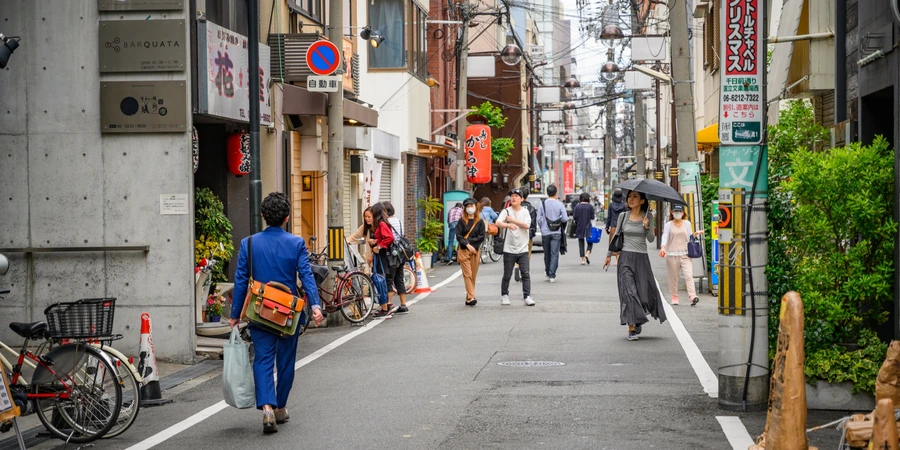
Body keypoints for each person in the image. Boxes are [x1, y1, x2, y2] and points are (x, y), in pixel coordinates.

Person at [229, 192, 325, 433]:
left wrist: (235, 313)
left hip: (259, 311)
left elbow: (241, 281)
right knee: (285, 362)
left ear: (262, 216)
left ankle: (267, 409)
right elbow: (306, 276)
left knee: (261, 359)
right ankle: (280, 407)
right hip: (288, 314)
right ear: (287, 217)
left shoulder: (248, 243)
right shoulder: (296, 243)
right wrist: (314, 305)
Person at [604, 190, 667, 341]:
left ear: (642, 201)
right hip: (625, 257)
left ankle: (638, 318)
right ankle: (632, 327)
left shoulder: (648, 217)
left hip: (642, 259)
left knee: (643, 295)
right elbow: (616, 235)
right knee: (629, 292)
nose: (630, 199)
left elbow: (651, 239)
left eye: (635, 197)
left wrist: (646, 227)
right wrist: (608, 255)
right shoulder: (623, 216)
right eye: (629, 197)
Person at [496, 189, 534, 306]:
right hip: (509, 248)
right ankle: (504, 295)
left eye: (517, 196)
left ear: (522, 199)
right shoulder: (506, 211)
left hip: (522, 248)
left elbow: (526, 225)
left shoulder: (525, 212)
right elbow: (498, 223)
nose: (513, 198)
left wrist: (513, 221)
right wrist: (508, 224)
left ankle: (527, 296)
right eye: (512, 196)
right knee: (507, 274)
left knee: (525, 273)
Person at [660, 204, 703, 306]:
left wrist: (695, 234)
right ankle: (674, 296)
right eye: (675, 212)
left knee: (689, 275)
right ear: (672, 212)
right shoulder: (668, 225)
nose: (677, 213)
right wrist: (662, 247)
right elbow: (665, 236)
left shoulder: (687, 223)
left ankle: (692, 296)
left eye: (679, 212)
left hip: (685, 253)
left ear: (683, 213)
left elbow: (689, 236)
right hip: (672, 254)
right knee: (673, 277)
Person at [370, 203, 402, 318]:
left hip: (382, 255)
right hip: (381, 254)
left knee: (381, 280)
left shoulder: (382, 224)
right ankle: (385, 307)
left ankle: (385, 308)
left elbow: (390, 237)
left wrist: (379, 246)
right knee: (381, 280)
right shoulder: (381, 223)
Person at [455, 198, 486, 306]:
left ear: (475, 207)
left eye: (471, 206)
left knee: (473, 275)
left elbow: (482, 236)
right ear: (465, 208)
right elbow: (458, 236)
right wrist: (468, 245)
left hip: (475, 251)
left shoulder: (480, 222)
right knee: (467, 274)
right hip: (464, 250)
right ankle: (472, 296)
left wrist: (472, 245)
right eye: (467, 206)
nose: (469, 208)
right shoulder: (461, 221)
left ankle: (468, 298)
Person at [536, 185, 568, 283]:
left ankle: (547, 271)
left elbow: (539, 219)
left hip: (545, 232)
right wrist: (558, 221)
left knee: (547, 253)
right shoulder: (559, 205)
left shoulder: (542, 204)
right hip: (556, 232)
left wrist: (542, 227)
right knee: (554, 253)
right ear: (555, 193)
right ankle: (552, 274)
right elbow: (565, 218)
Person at [382, 202, 409, 314]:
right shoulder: (398, 221)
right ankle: (403, 305)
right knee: (399, 278)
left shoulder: (386, 222)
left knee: (389, 279)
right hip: (401, 254)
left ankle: (388, 304)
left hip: (391, 254)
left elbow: (389, 238)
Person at [573, 192, 596, 265]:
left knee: (581, 242)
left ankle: (582, 259)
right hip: (588, 226)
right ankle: (587, 253)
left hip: (579, 226)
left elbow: (575, 217)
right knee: (590, 241)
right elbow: (592, 217)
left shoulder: (577, 206)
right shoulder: (590, 207)